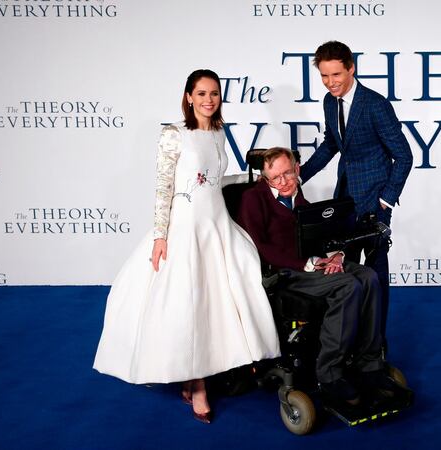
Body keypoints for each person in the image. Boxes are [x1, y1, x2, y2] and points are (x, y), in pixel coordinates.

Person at [93, 69, 280, 424]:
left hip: (217, 225)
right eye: (202, 93)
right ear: (189, 96)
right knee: (190, 303)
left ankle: (224, 363)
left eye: (214, 94)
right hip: (185, 228)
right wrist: (161, 236)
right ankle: (197, 386)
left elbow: (213, 180)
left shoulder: (220, 133)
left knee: (222, 298)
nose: (209, 100)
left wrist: (251, 178)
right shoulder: (173, 135)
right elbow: (164, 187)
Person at [236, 147, 406, 406]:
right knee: (349, 286)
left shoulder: (297, 195)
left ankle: (369, 363)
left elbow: (318, 232)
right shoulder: (253, 199)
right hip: (285, 272)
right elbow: (260, 248)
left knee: (369, 276)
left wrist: (336, 255)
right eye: (276, 178)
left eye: (288, 174)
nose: (283, 182)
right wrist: (308, 263)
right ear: (264, 178)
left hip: (312, 263)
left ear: (297, 170)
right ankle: (329, 373)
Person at [300, 41, 413, 337]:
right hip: (345, 200)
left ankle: (377, 342)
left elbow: (404, 156)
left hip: (375, 202)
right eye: (324, 76)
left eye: (336, 74)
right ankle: (350, 338)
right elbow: (331, 145)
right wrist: (300, 175)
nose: (330, 82)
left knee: (376, 275)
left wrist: (386, 201)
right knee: (345, 272)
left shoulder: (375, 104)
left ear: (351, 68)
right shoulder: (329, 101)